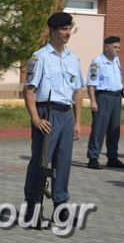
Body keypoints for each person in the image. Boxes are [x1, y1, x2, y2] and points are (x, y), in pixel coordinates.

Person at [23, 12, 83, 222]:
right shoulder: (39, 57)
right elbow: (29, 90)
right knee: (41, 161)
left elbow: (77, 92)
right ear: (52, 31)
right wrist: (35, 119)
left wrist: (77, 122)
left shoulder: (73, 59)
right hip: (46, 113)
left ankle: (60, 206)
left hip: (66, 114)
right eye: (63, 29)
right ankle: (32, 205)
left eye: (69, 29)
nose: (67, 33)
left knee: (63, 162)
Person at [85, 36, 124, 170]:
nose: (118, 50)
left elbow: (118, 79)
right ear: (106, 47)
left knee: (114, 129)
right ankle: (93, 157)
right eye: (115, 47)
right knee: (99, 128)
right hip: (103, 97)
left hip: (116, 97)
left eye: (119, 47)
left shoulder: (116, 60)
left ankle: (112, 157)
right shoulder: (97, 62)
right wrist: (93, 101)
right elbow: (91, 84)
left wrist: (123, 90)